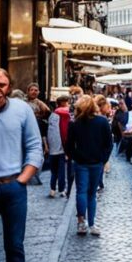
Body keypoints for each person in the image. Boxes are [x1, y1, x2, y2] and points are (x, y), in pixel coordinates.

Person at [0, 68, 42, 262]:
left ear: (9, 86)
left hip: (13, 187)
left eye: (1, 85)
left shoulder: (22, 110)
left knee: (14, 247)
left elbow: (34, 147)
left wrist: (22, 179)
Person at [66, 95, 113, 236]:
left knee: (81, 192)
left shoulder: (74, 123)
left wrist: (75, 157)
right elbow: (109, 144)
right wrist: (103, 159)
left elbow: (68, 146)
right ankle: (91, 224)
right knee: (91, 194)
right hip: (96, 162)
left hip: (81, 163)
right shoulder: (102, 122)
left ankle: (81, 223)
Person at [46, 96, 72, 199]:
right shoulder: (64, 114)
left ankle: (52, 189)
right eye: (67, 102)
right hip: (60, 147)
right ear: (64, 103)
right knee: (61, 171)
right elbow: (64, 132)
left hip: (53, 148)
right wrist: (67, 148)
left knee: (53, 171)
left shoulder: (52, 115)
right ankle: (61, 190)